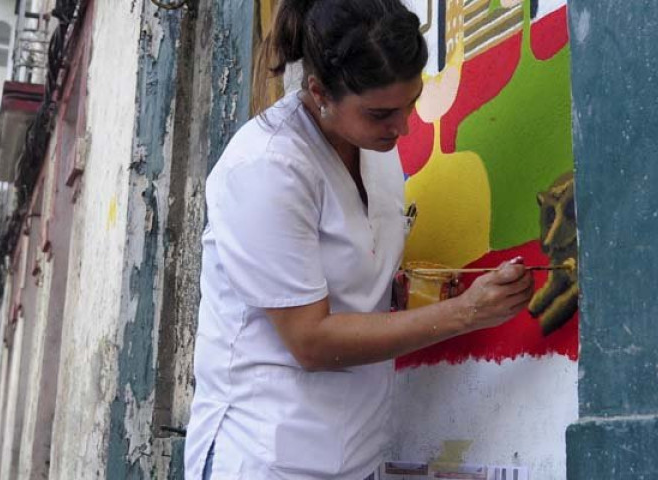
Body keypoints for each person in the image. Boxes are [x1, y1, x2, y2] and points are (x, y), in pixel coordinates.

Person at [184, 0, 534, 478]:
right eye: (380, 113)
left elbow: (358, 279)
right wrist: (464, 313)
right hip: (265, 453)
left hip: (357, 451)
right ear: (319, 91)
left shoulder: (376, 150)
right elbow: (309, 339)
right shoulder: (266, 168)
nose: (403, 126)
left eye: (410, 104)